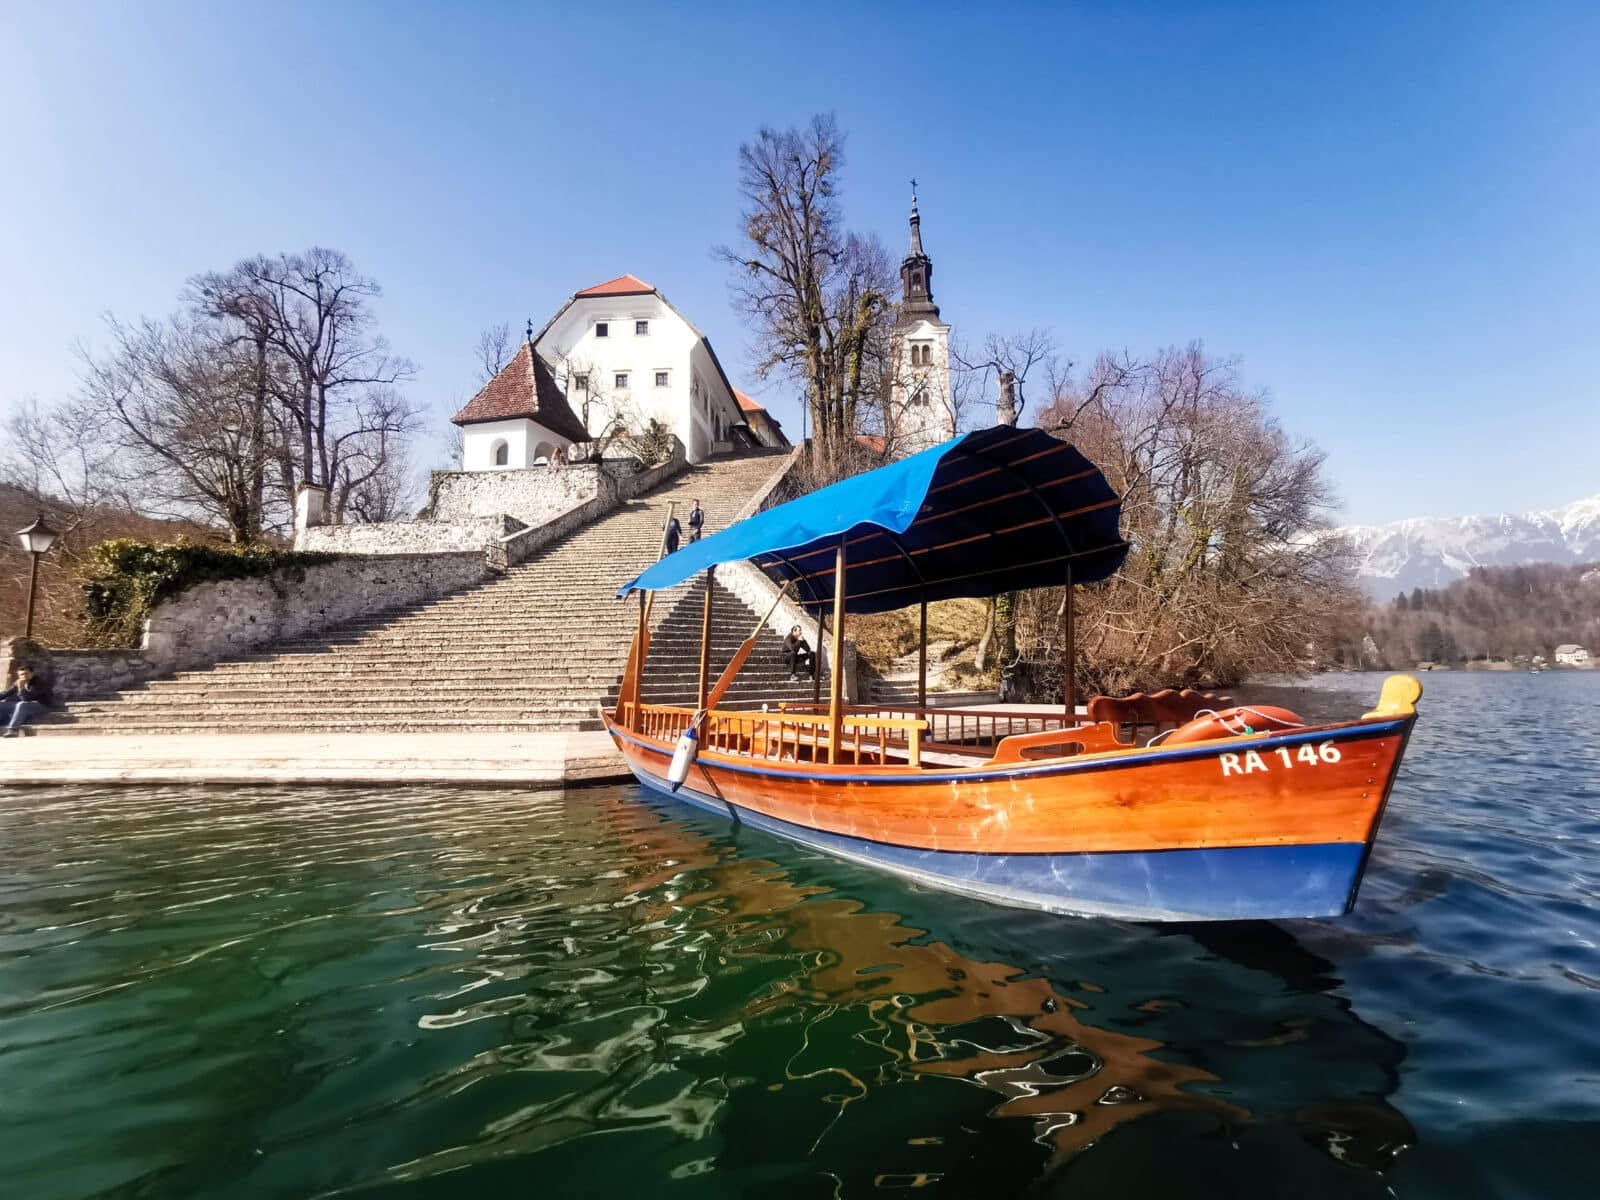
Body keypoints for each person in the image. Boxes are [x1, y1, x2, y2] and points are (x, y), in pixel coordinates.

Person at [0, 667, 52, 737]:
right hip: (26, 705)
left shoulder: (39, 683)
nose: (24, 676)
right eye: (21, 674)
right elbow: (6, 693)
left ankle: (13, 730)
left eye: (26, 673)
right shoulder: (19, 682)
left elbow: (27, 699)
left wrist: (21, 688)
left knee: (22, 705)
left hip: (42, 706)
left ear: (32, 673)